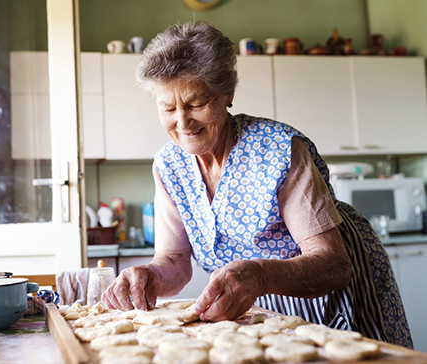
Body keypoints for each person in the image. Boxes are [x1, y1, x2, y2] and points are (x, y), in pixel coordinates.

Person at [101, 20, 412, 348]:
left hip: (327, 284)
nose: (182, 121)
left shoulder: (278, 150)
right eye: (167, 108)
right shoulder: (169, 166)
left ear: (227, 94)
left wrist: (261, 275)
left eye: (195, 104)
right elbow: (175, 262)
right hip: (257, 296)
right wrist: (149, 276)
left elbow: (333, 264)